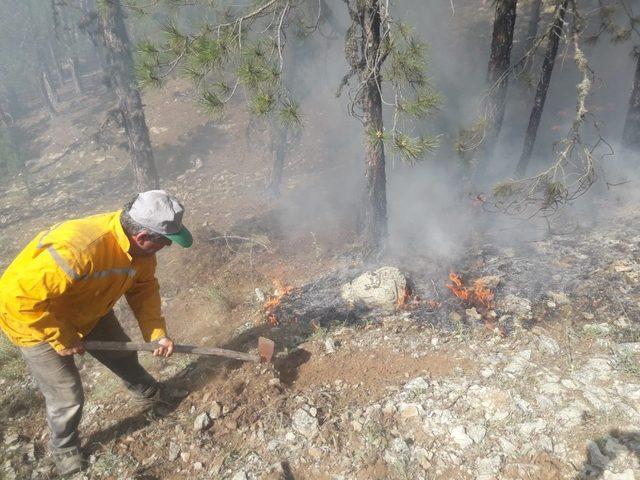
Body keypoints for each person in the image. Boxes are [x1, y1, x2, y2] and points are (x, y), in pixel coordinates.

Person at [0, 190, 193, 476]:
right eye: (165, 243)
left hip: (89, 308)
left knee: (123, 355)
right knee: (67, 394)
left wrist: (156, 333)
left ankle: (148, 392)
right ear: (143, 238)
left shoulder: (140, 252)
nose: (166, 248)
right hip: (35, 321)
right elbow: (18, 300)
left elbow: (143, 289)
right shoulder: (79, 248)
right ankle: (65, 446)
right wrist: (63, 336)